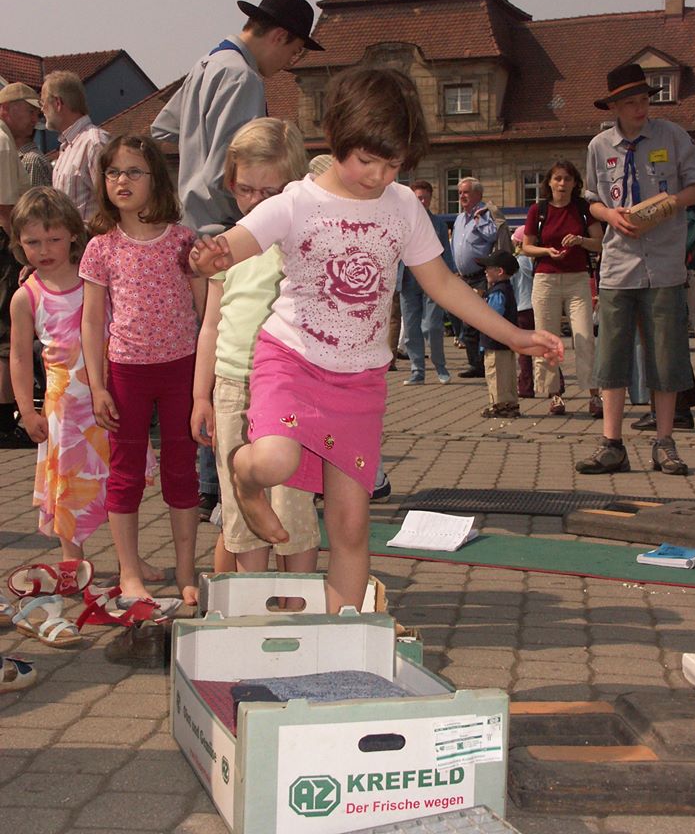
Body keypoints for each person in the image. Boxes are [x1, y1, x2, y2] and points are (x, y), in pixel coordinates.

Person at [190, 67, 563, 612]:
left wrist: (515, 335)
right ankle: (244, 482)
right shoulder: (295, 201)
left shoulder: (402, 206)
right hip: (292, 361)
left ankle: (341, 633)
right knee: (272, 461)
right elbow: (237, 242)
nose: (379, 175)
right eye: (368, 160)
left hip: (360, 381)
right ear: (337, 137)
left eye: (393, 164)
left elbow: (443, 284)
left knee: (351, 525)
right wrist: (213, 255)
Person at [191, 118, 320, 579]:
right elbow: (210, 326)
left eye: (273, 192)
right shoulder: (225, 247)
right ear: (231, 184)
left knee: (291, 500)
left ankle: (297, 600)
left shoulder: (303, 245)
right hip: (231, 386)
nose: (259, 202)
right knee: (239, 502)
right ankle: (251, 601)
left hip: (287, 388)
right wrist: (200, 396)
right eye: (247, 190)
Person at [80, 134, 205, 603]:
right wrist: (98, 387)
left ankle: (186, 570)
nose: (122, 181)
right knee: (126, 472)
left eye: (134, 171)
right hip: (126, 373)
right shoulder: (101, 247)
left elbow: (206, 312)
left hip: (181, 369)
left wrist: (207, 382)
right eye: (113, 172)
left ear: (156, 178)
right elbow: (92, 321)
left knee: (182, 470)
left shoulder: (183, 241)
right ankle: (129, 571)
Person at [576, 64, 695, 476]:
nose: (640, 108)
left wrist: (668, 204)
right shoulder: (599, 145)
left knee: (666, 358)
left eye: (644, 100)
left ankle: (664, 443)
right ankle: (611, 445)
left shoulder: (673, 136)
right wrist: (609, 215)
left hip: (665, 266)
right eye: (631, 103)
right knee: (612, 357)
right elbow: (591, 199)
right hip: (618, 267)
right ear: (614, 107)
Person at [151, 0, 324, 235]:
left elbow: (163, 129)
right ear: (279, 36)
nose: (290, 62)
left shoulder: (208, 62)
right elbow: (226, 170)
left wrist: (197, 153)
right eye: (294, 51)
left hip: (192, 223)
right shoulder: (243, 77)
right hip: (226, 227)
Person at [9, 187, 108, 559]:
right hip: (63, 408)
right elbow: (20, 357)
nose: (44, 250)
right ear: (19, 243)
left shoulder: (94, 281)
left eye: (53, 239)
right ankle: (72, 558)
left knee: (118, 481)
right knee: (68, 483)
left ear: (73, 235)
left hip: (107, 397)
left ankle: (131, 558)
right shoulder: (26, 296)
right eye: (33, 242)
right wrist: (27, 410)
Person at [523, 161, 604, 417]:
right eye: (557, 178)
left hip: (577, 279)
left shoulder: (582, 208)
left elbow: (600, 243)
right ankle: (554, 394)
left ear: (575, 183)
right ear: (549, 182)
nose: (562, 184)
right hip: (545, 279)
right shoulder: (538, 210)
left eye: (567, 179)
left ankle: (594, 394)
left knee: (584, 337)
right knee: (547, 339)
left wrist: (580, 240)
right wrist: (546, 251)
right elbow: (526, 246)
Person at [0, 85, 32, 449]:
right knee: (7, 335)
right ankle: (4, 420)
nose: (34, 117)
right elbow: (6, 207)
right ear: (7, 110)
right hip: (4, 241)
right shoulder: (4, 143)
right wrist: (22, 253)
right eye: (28, 110)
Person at [400, 180, 453, 385]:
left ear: (431, 199)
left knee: (432, 326)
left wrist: (449, 276)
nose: (421, 202)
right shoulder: (402, 222)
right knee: (411, 328)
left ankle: (440, 366)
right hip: (407, 280)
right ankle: (417, 371)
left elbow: (446, 254)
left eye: (425, 198)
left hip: (432, 280)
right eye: (418, 198)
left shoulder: (438, 224)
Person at [40, 72, 109, 222]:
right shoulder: (67, 147)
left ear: (57, 103)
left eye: (43, 102)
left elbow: (111, 204)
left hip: (90, 236)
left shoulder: (94, 143)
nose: (42, 109)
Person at [451, 177, 497, 378]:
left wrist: (479, 221)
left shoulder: (484, 214)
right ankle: (475, 364)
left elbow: (492, 235)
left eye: (466, 192)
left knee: (478, 321)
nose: (462, 196)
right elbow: (456, 246)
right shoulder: (459, 219)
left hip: (480, 276)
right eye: (460, 192)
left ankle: (485, 363)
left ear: (478, 194)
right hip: (464, 277)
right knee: (466, 322)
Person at [479, 250, 521, 418]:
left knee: (496, 373)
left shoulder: (497, 291)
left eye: (488, 268)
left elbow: (493, 314)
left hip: (495, 341)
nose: (485, 271)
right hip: (507, 341)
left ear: (499, 271)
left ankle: (499, 405)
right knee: (508, 374)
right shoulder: (507, 289)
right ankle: (511, 403)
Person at [0, 83, 52, 187]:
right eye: (31, 112)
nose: (35, 120)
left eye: (37, 115)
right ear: (5, 109)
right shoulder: (5, 145)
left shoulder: (30, 161)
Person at [510, 226, 535, 398]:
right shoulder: (535, 261)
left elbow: (511, 286)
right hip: (537, 306)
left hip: (522, 308)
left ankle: (526, 386)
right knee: (545, 347)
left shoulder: (516, 262)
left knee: (524, 351)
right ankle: (555, 385)